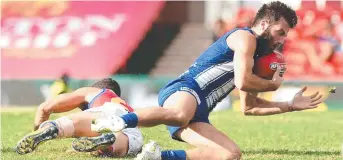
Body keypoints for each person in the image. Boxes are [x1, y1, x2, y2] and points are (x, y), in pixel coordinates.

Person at [92, 2, 323, 160]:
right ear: (264, 24)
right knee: (180, 114)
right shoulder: (245, 38)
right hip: (185, 89)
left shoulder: (256, 58)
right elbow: (243, 82)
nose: (282, 40)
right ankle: (119, 120)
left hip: (198, 111)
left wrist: (290, 105)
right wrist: (272, 86)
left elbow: (249, 107)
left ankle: (158, 156)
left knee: (230, 154)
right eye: (280, 32)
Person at [16, 78, 143, 157]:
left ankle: (52, 129)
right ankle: (107, 142)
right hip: (128, 127)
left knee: (63, 125)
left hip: (99, 115)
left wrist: (36, 131)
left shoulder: (94, 92)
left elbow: (44, 108)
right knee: (120, 141)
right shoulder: (125, 105)